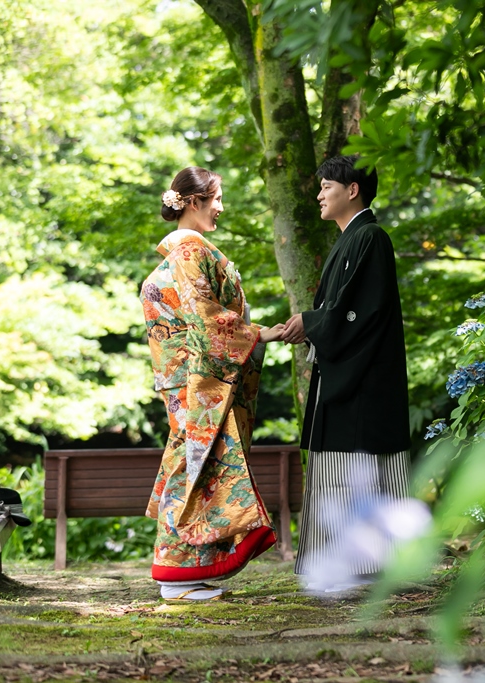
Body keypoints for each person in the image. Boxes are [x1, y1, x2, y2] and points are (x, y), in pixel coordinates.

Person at [140, 166, 285, 602]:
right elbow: (207, 317)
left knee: (196, 465)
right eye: (216, 198)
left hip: (187, 375)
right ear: (193, 200)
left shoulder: (183, 253)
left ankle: (188, 572)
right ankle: (175, 576)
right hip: (196, 377)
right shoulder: (189, 253)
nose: (221, 207)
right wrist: (259, 333)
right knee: (195, 466)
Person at [281, 155, 411, 588]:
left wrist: (312, 322)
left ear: (351, 190)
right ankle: (352, 565)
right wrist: (315, 322)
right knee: (344, 468)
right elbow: (341, 312)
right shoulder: (352, 240)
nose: (319, 195)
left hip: (363, 381)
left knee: (355, 466)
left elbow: (360, 312)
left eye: (326, 187)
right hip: (348, 375)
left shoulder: (370, 237)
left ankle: (363, 566)